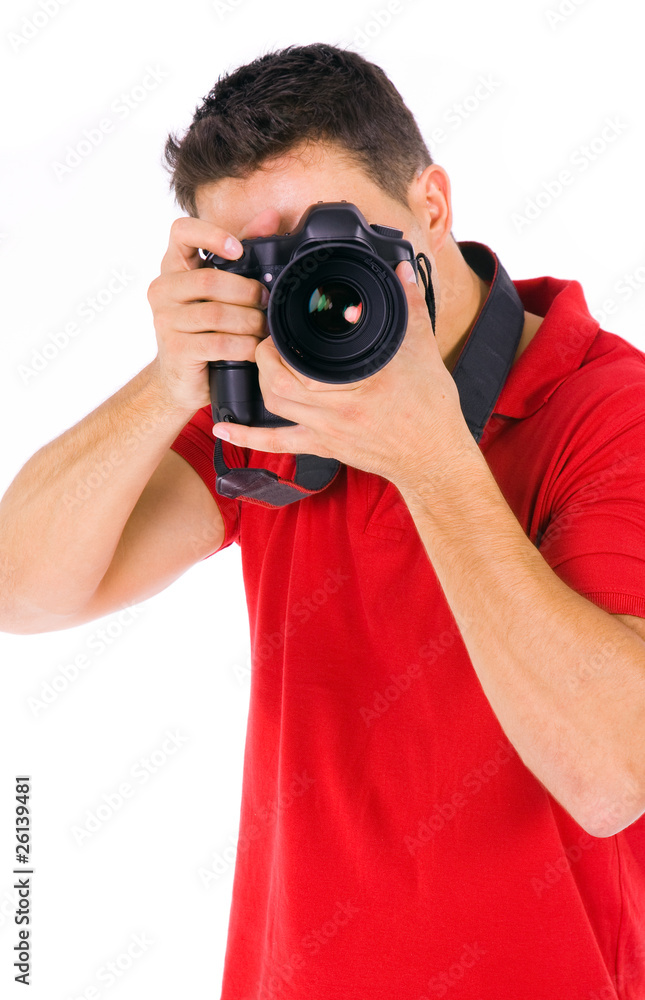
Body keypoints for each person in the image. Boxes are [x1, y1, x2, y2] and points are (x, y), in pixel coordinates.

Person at [1, 41, 644, 999]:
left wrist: (430, 460)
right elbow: (24, 592)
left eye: (329, 238)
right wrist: (171, 380)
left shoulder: (606, 410)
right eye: (264, 262)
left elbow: (610, 774)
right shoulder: (263, 398)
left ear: (431, 205)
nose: (311, 292)